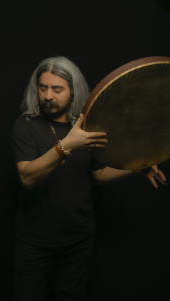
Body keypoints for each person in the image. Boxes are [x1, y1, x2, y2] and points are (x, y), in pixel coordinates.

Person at [11, 56, 166, 301]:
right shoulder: (26, 125)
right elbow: (27, 176)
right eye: (43, 88)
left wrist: (136, 168)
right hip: (35, 242)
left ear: (73, 93)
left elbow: (99, 175)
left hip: (78, 241)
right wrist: (66, 146)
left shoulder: (87, 129)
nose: (48, 96)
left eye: (57, 89)